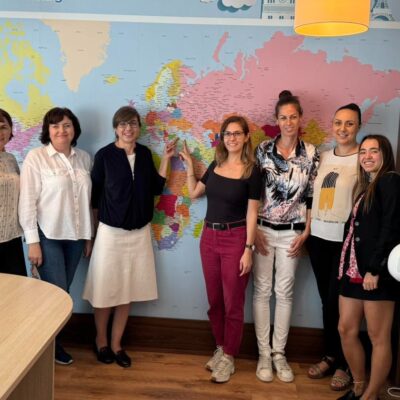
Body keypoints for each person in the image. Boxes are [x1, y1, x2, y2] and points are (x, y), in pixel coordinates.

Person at [82, 106, 176, 368]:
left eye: (133, 123)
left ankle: (116, 344)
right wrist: (92, 235)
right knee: (104, 289)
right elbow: (94, 197)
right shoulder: (104, 156)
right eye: (122, 124)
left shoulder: (144, 154)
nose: (128, 128)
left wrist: (166, 159)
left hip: (139, 234)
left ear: (139, 128)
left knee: (127, 289)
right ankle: (101, 341)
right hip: (110, 233)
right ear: (115, 128)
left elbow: (155, 187)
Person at [179, 115, 261, 383]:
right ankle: (220, 347)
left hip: (236, 239)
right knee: (214, 300)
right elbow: (194, 193)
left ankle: (229, 357)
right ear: (222, 138)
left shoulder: (252, 171)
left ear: (246, 137)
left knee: (232, 302)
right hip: (208, 238)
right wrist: (190, 165)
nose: (232, 138)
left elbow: (252, 213)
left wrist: (248, 248)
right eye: (227, 134)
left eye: (237, 133)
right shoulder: (216, 165)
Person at [253, 90, 319, 383]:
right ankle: (263, 354)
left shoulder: (312, 153)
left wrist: (307, 231)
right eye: (283, 117)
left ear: (300, 118)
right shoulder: (263, 150)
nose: (289, 122)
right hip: (264, 231)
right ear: (276, 120)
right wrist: (254, 229)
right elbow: (253, 193)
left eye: (293, 117)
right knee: (261, 291)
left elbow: (312, 196)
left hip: (293, 233)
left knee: (284, 293)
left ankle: (279, 354)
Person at [19, 107, 92, 365]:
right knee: (55, 293)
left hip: (76, 237)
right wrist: (33, 242)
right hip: (47, 235)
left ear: (74, 129)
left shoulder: (84, 158)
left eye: (67, 125)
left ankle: (47, 343)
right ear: (47, 131)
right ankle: (48, 347)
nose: (62, 130)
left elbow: (87, 201)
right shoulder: (36, 157)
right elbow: (27, 202)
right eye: (55, 126)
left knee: (63, 293)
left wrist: (89, 237)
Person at [337, 135, 400, 400]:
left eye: (374, 151)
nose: (367, 156)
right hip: (353, 270)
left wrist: (375, 269)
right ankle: (359, 384)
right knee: (346, 329)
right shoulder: (367, 186)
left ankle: (371, 395)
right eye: (363, 152)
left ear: (385, 154)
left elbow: (391, 226)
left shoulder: (390, 181)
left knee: (378, 336)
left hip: (376, 273)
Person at [307, 104, 362, 391]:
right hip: (318, 238)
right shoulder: (323, 156)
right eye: (338, 122)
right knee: (326, 301)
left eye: (349, 123)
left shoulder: (363, 158)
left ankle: (345, 363)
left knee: (340, 303)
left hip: (345, 242)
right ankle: (330, 355)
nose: (343, 128)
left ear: (359, 126)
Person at [0, 109, 26, 276]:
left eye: (3, 127)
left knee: (17, 288)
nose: (0, 132)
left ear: (10, 130)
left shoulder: (10, 158)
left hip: (12, 237)